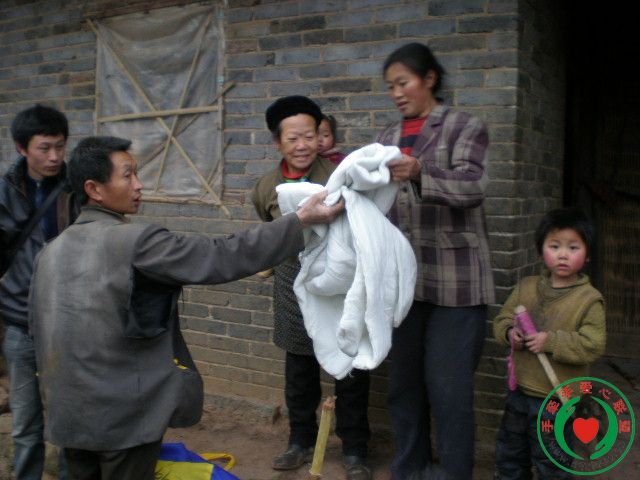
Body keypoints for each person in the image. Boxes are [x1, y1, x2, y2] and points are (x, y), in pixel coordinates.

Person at [28, 135, 343, 480]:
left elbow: (38, 332)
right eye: (128, 175)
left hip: (67, 415)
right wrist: (299, 220)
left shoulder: (50, 251)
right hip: (122, 418)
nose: (139, 184)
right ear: (94, 189)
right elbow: (219, 256)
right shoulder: (137, 242)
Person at [377, 43, 495, 479]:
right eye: (390, 86)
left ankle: (454, 473)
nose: (396, 93)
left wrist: (420, 172)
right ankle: (410, 470)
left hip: (456, 283)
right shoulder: (386, 138)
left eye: (403, 82)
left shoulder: (465, 127)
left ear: (429, 79)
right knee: (403, 387)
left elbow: (473, 186)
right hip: (405, 284)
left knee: (449, 391)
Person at [252, 96, 371, 480]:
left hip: (341, 282)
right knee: (299, 368)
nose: (303, 145)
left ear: (320, 137)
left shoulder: (340, 176)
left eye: (310, 136)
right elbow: (269, 231)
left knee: (349, 365)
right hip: (292, 282)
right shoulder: (266, 187)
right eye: (293, 138)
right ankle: (299, 440)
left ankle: (354, 447)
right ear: (278, 142)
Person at [493, 207, 606, 479]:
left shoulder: (588, 299)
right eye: (554, 246)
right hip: (519, 394)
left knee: (552, 464)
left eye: (573, 247)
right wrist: (510, 333)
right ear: (541, 250)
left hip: (558, 401)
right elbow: (503, 319)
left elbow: (593, 344)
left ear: (588, 255)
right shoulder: (526, 287)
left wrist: (551, 341)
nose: (562, 254)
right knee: (510, 457)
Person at [0, 104, 73, 480]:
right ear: (21, 148)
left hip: (69, 322)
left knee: (69, 419)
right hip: (20, 322)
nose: (54, 157)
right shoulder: (5, 192)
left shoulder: (78, 187)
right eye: (44, 148)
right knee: (25, 423)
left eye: (59, 146)